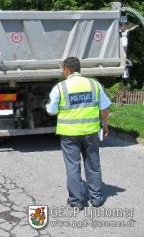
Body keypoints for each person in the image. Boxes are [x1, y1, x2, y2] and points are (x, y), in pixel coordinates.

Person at [46, 57, 111, 210]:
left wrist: (51, 106)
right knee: (93, 164)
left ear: (67, 70)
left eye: (63, 69)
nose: (62, 72)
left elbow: (51, 111)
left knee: (73, 166)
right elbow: (104, 108)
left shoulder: (60, 88)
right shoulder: (94, 85)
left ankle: (76, 201)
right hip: (91, 132)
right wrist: (105, 124)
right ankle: (96, 199)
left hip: (69, 135)